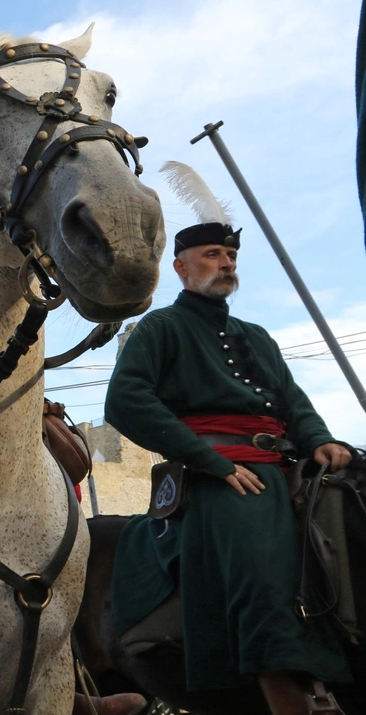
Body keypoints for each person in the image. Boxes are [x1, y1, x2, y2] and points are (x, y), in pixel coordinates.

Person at [105, 163, 352, 714]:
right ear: (181, 267)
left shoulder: (257, 336)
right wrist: (206, 459)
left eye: (231, 256)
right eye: (213, 256)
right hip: (223, 475)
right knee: (258, 568)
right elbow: (124, 401)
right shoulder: (160, 329)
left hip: (286, 463)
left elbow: (294, 402)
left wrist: (321, 439)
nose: (226, 264)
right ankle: (283, 693)